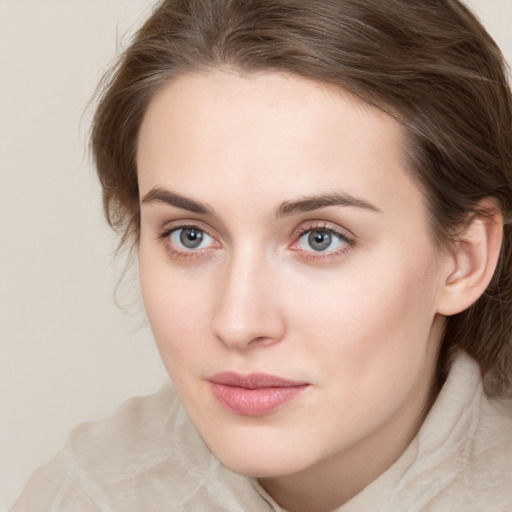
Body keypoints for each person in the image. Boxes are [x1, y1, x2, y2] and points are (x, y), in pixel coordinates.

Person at [13, 0, 512, 510]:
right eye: (189, 236)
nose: (237, 322)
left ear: (463, 259)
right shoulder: (81, 496)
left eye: (321, 238)